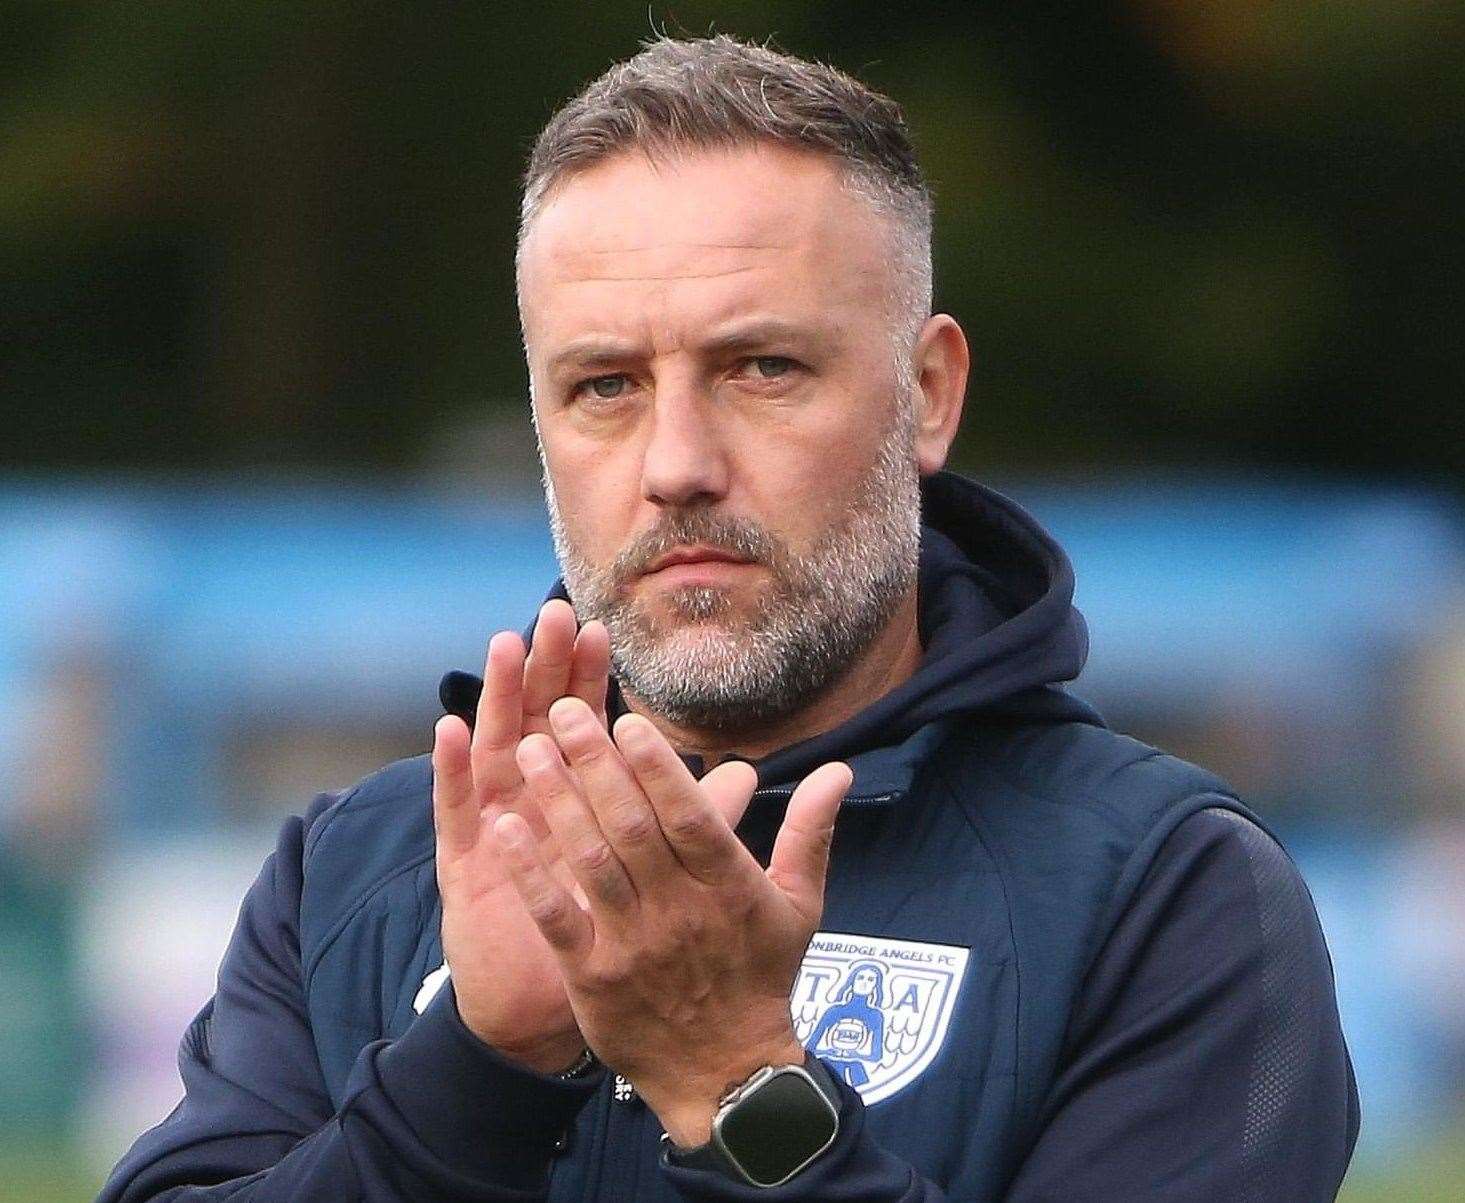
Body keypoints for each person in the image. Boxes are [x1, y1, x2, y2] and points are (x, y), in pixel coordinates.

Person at [98, 34, 1360, 1201]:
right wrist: (474, 1074)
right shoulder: (360, 874)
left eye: (761, 368)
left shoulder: (1163, 895)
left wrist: (734, 1084)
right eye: (604, 386)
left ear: (926, 394)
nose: (676, 462)